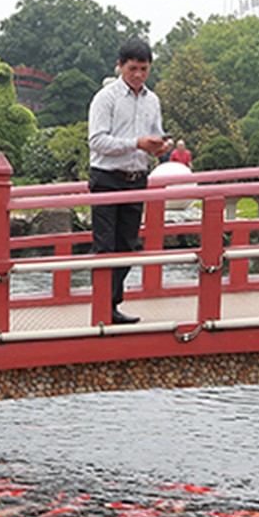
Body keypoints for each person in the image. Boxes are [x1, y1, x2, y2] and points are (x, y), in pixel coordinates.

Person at [87, 38, 170, 325]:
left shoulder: (152, 100)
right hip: (107, 178)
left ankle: (111, 304)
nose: (138, 75)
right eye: (132, 68)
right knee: (104, 247)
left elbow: (154, 135)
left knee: (126, 246)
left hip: (136, 179)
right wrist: (137, 143)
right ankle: (101, 308)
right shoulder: (106, 98)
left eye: (144, 69)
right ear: (120, 66)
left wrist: (159, 147)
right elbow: (97, 141)